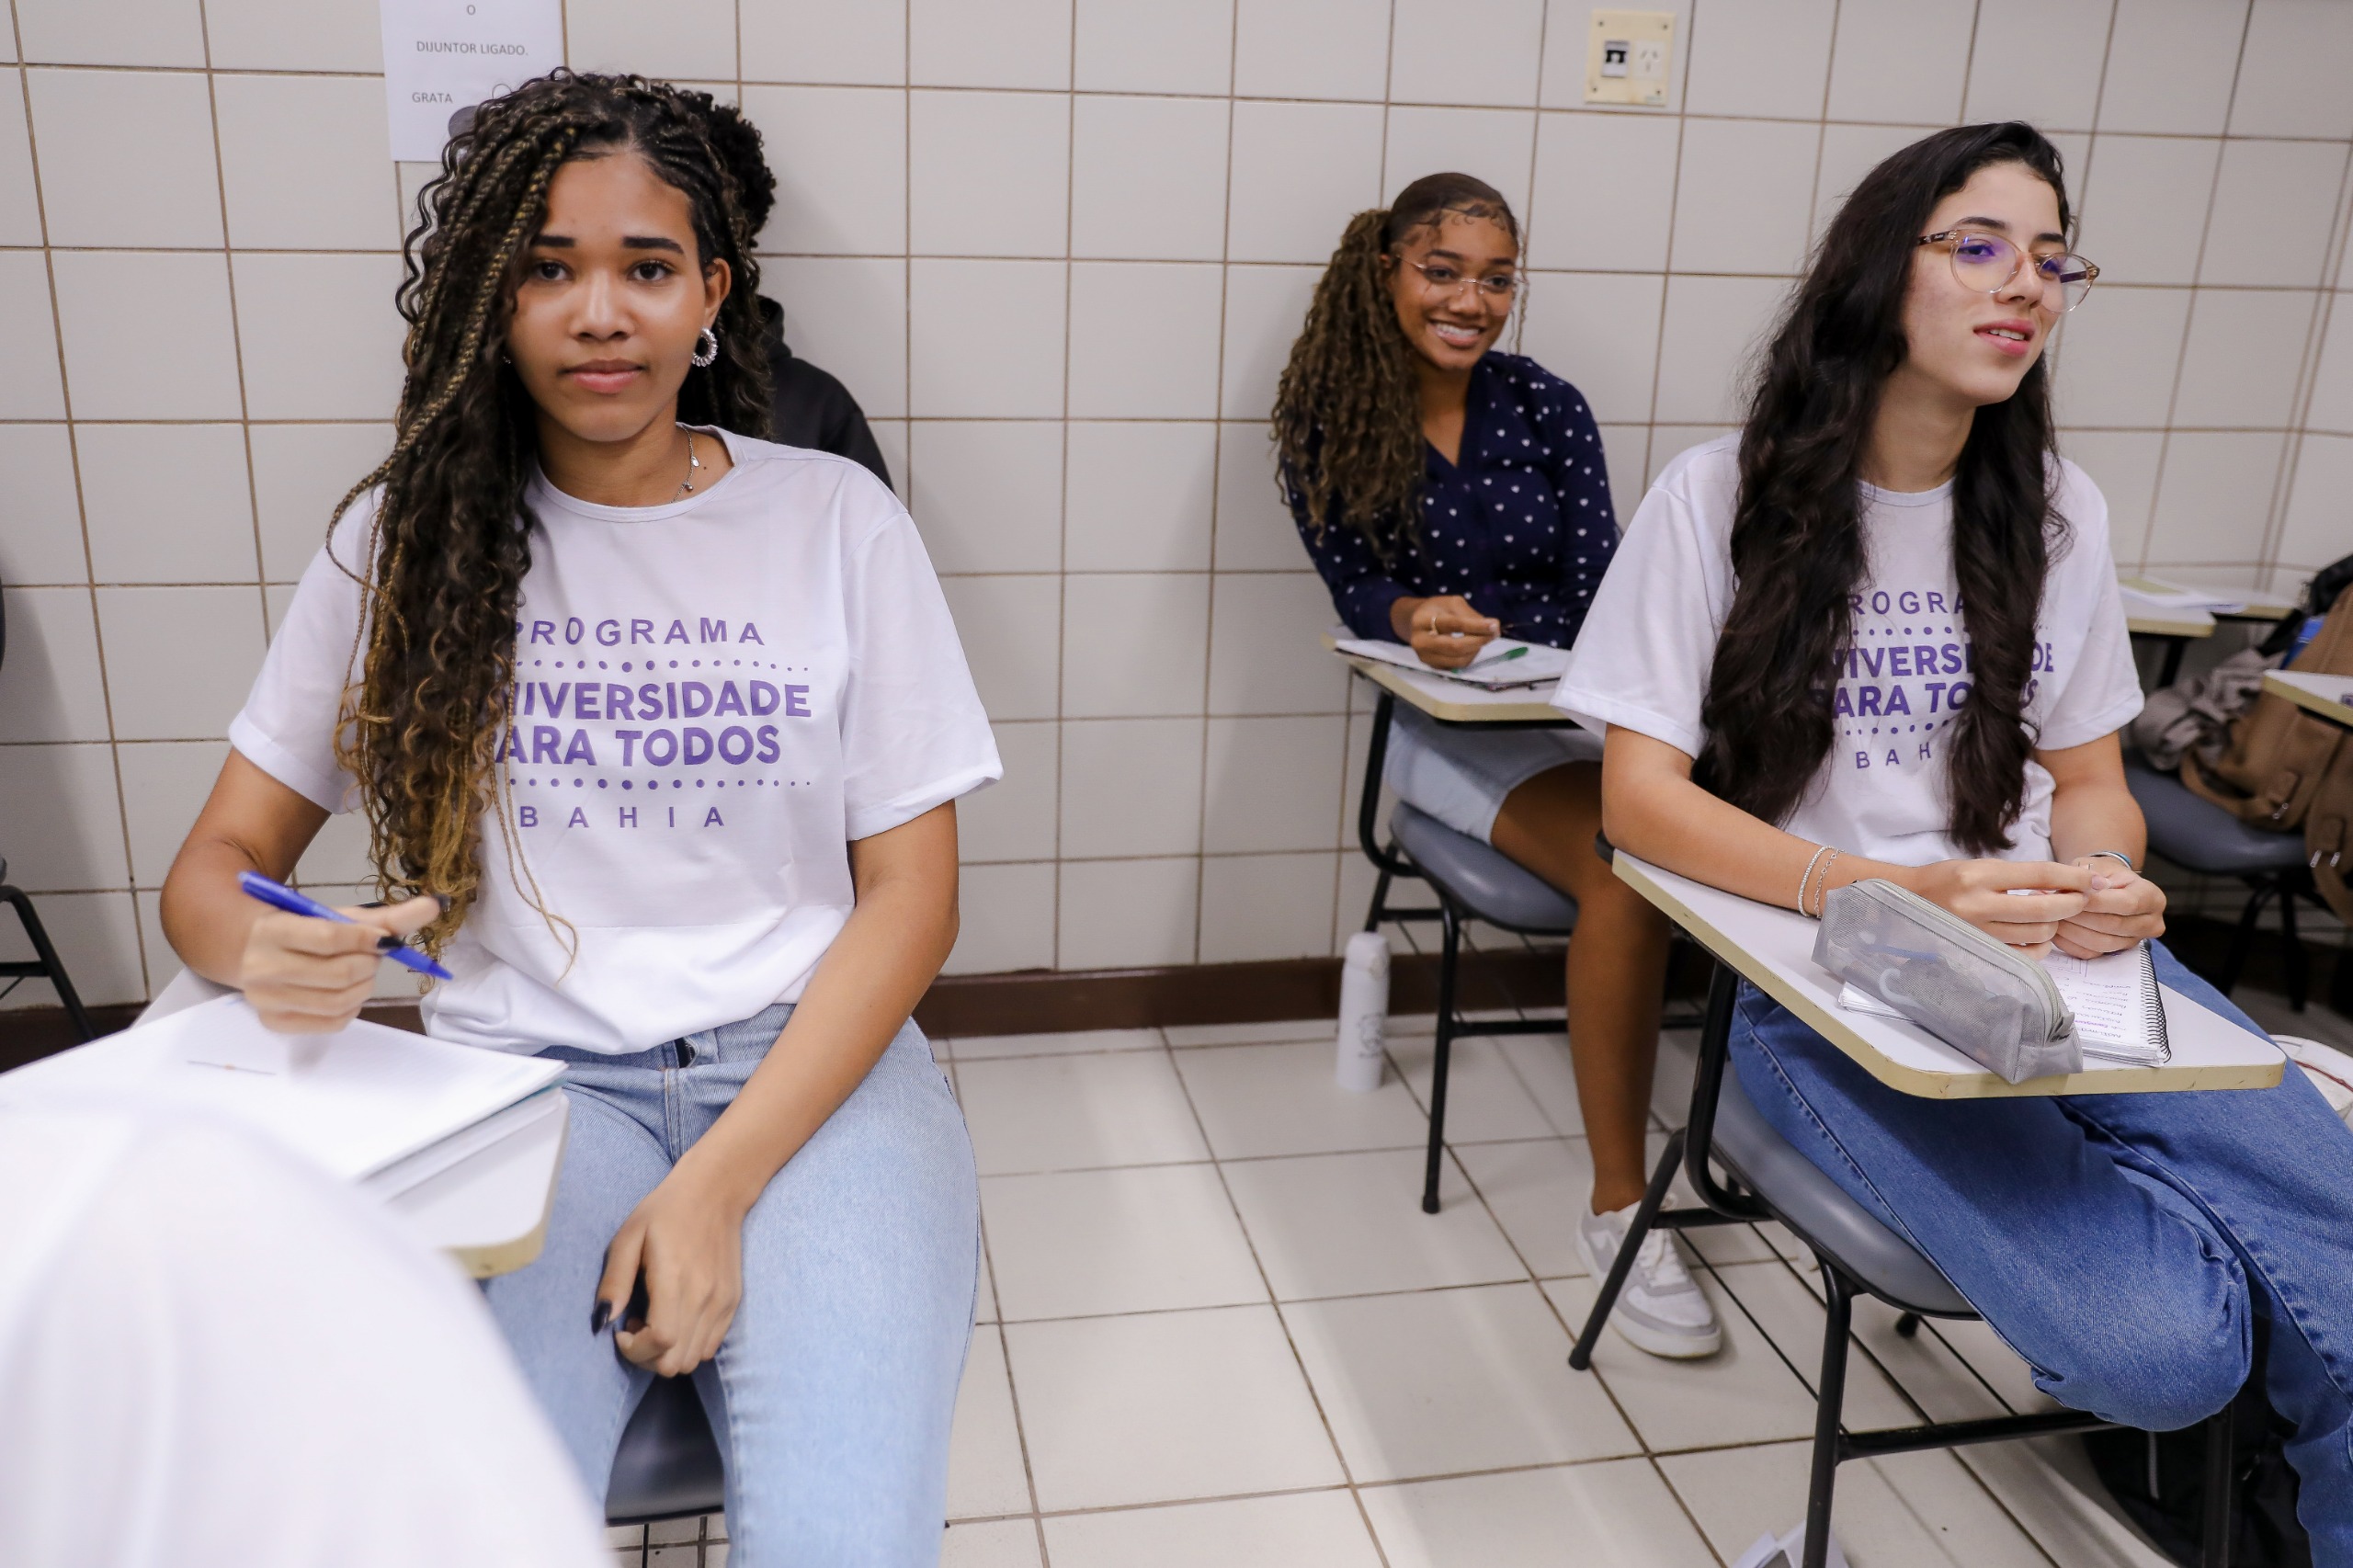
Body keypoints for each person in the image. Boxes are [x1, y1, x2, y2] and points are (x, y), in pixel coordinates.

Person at [157, 73, 998, 1567]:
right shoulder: (396, 545)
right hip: (530, 1093)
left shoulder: (836, 523)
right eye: (549, 268)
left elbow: (913, 899)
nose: (600, 311)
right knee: (468, 1524)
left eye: (645, 268)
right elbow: (213, 876)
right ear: (492, 296)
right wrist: (266, 947)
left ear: (710, 295)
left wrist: (716, 1184)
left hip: (814, 1083)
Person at [1558, 120, 2353, 1554]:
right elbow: (1639, 803)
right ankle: (2216, 1322)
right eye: (1979, 246)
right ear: (1880, 268)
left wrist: (2111, 872)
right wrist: (1894, 890)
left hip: (2072, 974)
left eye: (2052, 260)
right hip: (1832, 996)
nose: (2025, 286)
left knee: (2344, 1232)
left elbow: (2092, 774)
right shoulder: (1717, 499)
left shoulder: (2055, 511)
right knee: (2166, 1351)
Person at [1274, 172, 1712, 1358]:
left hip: (1578, 717)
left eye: (1497, 277)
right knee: (1630, 869)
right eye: (1444, 270)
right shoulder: (1329, 412)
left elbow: (1602, 586)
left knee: (1741, 833)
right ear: (1388, 273)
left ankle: (1768, 1129)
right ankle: (1623, 1205)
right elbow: (1355, 588)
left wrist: (1560, 659)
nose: (1473, 299)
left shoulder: (1549, 407)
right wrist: (1415, 611)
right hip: (1444, 735)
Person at [0, 1094, 609, 1568]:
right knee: (532, 1436)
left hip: (700, 1104)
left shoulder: (125, 1208)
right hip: (538, 1087)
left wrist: (706, 1196)